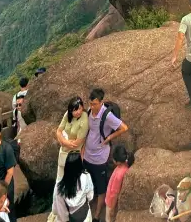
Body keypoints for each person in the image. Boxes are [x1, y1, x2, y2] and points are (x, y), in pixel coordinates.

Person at [82, 88, 128, 222]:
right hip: (87, 155)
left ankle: (96, 215)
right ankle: (88, 206)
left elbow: (124, 128)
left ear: (101, 102)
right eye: (90, 103)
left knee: (101, 187)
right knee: (89, 182)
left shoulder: (107, 115)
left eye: (95, 104)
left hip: (100, 158)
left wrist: (109, 138)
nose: (92, 106)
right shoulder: (90, 111)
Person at [52, 152, 94, 222]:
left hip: (72, 217)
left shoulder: (60, 187)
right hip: (85, 214)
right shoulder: (87, 176)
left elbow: (61, 212)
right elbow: (90, 196)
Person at [56, 98, 89, 181]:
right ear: (71, 110)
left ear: (83, 107)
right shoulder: (67, 114)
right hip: (63, 151)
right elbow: (58, 131)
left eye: (80, 109)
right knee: (60, 178)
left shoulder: (84, 119)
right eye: (75, 110)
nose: (78, 112)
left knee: (72, 180)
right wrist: (65, 142)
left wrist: (62, 141)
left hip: (74, 155)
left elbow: (77, 143)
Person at [104, 145, 133, 222]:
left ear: (118, 161)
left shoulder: (119, 175)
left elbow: (114, 193)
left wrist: (112, 209)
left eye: (114, 159)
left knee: (108, 219)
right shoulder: (125, 166)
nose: (112, 160)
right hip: (113, 200)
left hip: (110, 201)